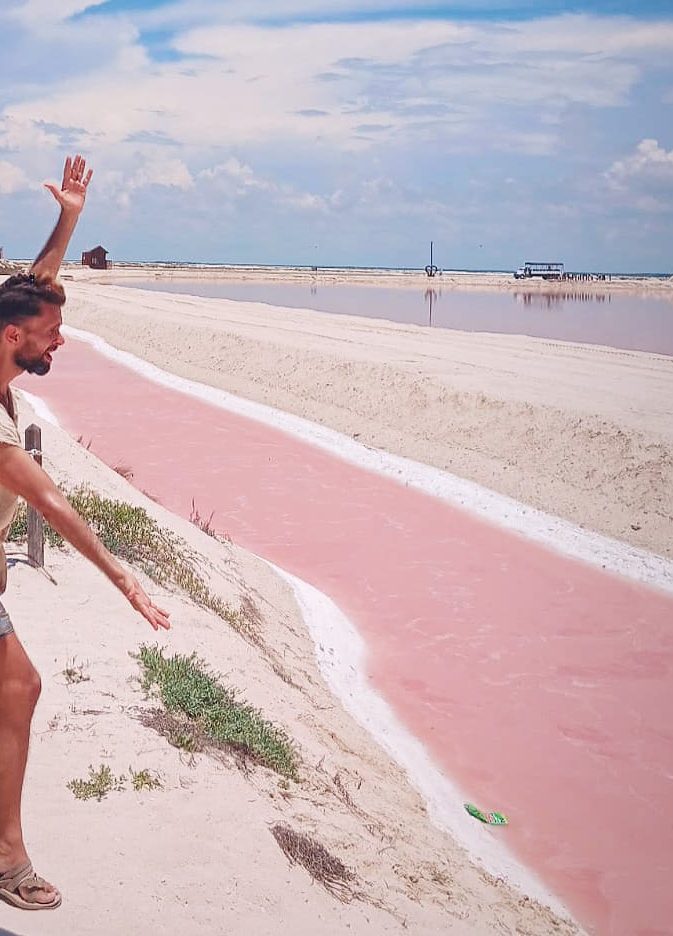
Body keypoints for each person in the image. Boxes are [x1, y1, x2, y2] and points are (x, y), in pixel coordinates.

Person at [0, 156, 170, 912]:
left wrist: (69, 218)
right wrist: (125, 578)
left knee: (15, 690)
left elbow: (31, 289)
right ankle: (8, 858)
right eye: (53, 334)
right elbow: (55, 504)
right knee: (19, 688)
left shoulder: (4, 347)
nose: (60, 341)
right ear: (14, 339)